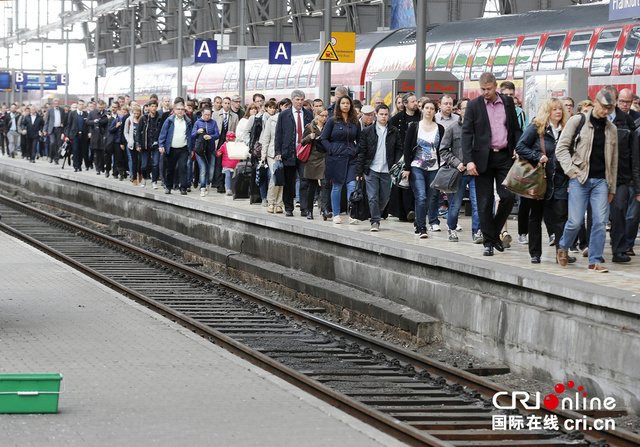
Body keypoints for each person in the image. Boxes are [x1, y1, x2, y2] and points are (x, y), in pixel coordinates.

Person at [555, 89, 619, 273]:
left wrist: (612, 187)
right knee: (575, 221)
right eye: (605, 107)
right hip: (580, 179)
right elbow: (561, 148)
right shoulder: (578, 121)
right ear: (596, 102)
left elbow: (614, 161)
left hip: (601, 182)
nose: (607, 111)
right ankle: (564, 246)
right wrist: (571, 172)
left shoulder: (611, 129)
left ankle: (595, 260)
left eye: (610, 108)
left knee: (599, 221)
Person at [462, 72, 522, 256]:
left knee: (508, 197)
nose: (486, 92)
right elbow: (467, 134)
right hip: (482, 159)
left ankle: (493, 233)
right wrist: (469, 160)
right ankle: (488, 242)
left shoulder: (508, 102)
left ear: (496, 86)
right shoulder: (474, 106)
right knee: (485, 201)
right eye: (482, 89)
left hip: (504, 156)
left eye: (489, 89)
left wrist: (517, 147)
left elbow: (515, 129)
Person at [515, 98, 571, 263]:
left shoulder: (566, 130)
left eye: (560, 109)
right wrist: (537, 156)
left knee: (561, 216)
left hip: (560, 180)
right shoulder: (536, 128)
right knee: (536, 216)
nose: (558, 112)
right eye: (554, 109)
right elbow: (520, 147)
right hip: (539, 180)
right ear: (547, 112)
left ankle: (561, 252)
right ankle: (535, 253)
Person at [603, 85, 639, 263]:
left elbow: (634, 152)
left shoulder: (627, 120)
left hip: (621, 175)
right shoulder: (594, 119)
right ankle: (592, 249)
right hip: (598, 174)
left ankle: (619, 250)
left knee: (619, 211)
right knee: (597, 214)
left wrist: (633, 176)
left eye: (628, 101)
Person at [438, 98, 481, 243]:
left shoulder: (480, 128)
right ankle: (451, 228)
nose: (467, 110)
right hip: (459, 173)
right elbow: (443, 150)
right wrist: (457, 163)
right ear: (459, 110)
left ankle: (477, 232)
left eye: (470, 108)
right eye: (464, 108)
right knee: (455, 205)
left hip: (476, 173)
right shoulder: (452, 128)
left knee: (477, 204)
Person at [402, 99, 446, 238]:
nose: (429, 110)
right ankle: (421, 227)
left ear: (435, 111)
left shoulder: (440, 128)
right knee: (420, 196)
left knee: (431, 197)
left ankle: (419, 221)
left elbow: (443, 149)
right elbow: (407, 148)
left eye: (431, 108)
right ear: (422, 109)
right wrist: (407, 167)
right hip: (417, 166)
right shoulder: (414, 127)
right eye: (426, 108)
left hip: (434, 167)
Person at [356, 104, 402, 231]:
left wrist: (396, 164)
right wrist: (359, 171)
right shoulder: (367, 131)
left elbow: (398, 148)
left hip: (387, 169)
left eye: (386, 114)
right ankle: (375, 221)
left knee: (384, 197)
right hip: (372, 169)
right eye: (381, 114)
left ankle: (375, 211)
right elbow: (362, 152)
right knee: (372, 196)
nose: (383, 116)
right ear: (376, 114)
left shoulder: (393, 131)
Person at [321, 95, 361, 224]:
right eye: (343, 103)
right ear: (339, 105)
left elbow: (360, 140)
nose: (345, 105)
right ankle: (336, 214)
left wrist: (356, 150)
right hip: (336, 158)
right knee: (337, 186)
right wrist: (331, 149)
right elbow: (323, 138)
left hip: (351, 157)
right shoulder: (332, 120)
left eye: (347, 103)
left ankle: (352, 214)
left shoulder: (355, 122)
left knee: (352, 185)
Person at [274, 89, 313, 217]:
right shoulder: (284, 115)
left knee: (304, 180)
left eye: (302, 100)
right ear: (292, 100)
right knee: (289, 181)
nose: (300, 102)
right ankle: (289, 207)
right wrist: (278, 151)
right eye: (297, 99)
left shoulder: (308, 114)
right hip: (288, 152)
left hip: (303, 152)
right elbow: (278, 134)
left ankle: (304, 208)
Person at [388, 92, 421, 223]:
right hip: (401, 156)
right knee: (403, 184)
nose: (415, 104)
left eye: (416, 101)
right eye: (412, 101)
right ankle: (405, 211)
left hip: (419, 155)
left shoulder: (421, 117)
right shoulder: (396, 119)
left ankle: (413, 209)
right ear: (405, 104)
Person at [262, 99, 291, 213]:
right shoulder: (272, 120)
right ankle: (271, 201)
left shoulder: (291, 120)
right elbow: (266, 138)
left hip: (286, 153)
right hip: (272, 153)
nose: (287, 109)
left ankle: (279, 203)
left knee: (282, 178)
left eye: (289, 107)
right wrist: (263, 155)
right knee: (275, 176)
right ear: (280, 107)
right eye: (285, 106)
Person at [300, 106, 329, 220]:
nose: (324, 118)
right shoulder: (310, 127)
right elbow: (302, 142)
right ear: (317, 115)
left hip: (325, 158)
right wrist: (309, 137)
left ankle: (325, 209)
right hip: (312, 159)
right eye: (322, 116)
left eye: (326, 116)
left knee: (326, 184)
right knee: (311, 186)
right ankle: (309, 210)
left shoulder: (328, 127)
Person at [158, 101, 193, 195]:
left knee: (183, 168)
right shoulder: (169, 120)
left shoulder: (188, 121)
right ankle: (168, 187)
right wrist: (161, 145)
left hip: (183, 148)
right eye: (178, 109)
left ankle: (183, 188)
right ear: (174, 110)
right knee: (170, 168)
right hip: (171, 148)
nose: (180, 111)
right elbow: (163, 133)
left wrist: (191, 148)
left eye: (182, 109)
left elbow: (190, 136)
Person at [191, 107, 220, 197]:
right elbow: (192, 135)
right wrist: (197, 132)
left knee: (211, 170)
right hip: (200, 150)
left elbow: (217, 134)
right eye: (206, 115)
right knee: (203, 169)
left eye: (209, 115)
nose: (207, 116)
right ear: (202, 114)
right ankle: (202, 187)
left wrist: (211, 137)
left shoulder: (213, 122)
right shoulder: (198, 122)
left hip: (210, 148)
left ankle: (208, 184)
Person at [212, 97, 238, 193]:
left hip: (229, 143)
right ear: (222, 104)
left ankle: (228, 185)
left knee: (228, 164)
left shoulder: (234, 116)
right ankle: (220, 185)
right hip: (218, 141)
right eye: (225, 103)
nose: (227, 105)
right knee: (218, 163)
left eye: (228, 103)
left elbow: (236, 129)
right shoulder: (215, 114)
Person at [137, 99, 162, 188]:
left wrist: (160, 143)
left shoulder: (160, 117)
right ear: (149, 107)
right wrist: (138, 144)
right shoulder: (144, 118)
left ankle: (154, 181)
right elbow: (139, 131)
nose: (154, 108)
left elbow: (161, 131)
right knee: (144, 165)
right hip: (145, 144)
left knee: (155, 164)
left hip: (155, 144)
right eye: (152, 106)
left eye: (155, 106)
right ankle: (144, 178)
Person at [64, 100, 88, 173]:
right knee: (75, 150)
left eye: (82, 104)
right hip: (74, 134)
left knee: (81, 150)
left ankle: (80, 165)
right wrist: (67, 135)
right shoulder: (72, 113)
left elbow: (87, 125)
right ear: (77, 105)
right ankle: (75, 166)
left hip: (83, 134)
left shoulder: (85, 114)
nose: (81, 106)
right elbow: (68, 125)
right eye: (80, 104)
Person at [87, 100, 109, 175]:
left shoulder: (106, 113)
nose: (100, 109)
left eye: (101, 107)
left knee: (103, 152)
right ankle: (98, 168)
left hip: (103, 135)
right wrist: (94, 121)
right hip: (95, 135)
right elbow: (87, 122)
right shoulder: (92, 113)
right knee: (96, 153)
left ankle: (102, 166)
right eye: (99, 107)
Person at [216, 131, 240, 196]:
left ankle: (232, 189)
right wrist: (218, 153)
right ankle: (228, 189)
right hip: (226, 164)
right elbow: (219, 152)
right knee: (228, 175)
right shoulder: (224, 145)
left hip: (234, 165)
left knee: (233, 177)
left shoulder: (236, 145)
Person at [43, 98, 66, 164]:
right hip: (52, 129)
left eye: (57, 104)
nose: (56, 105)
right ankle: (51, 156)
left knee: (58, 144)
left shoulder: (62, 110)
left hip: (59, 129)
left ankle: (56, 159)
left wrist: (63, 124)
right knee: (52, 143)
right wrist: (45, 130)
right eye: (55, 104)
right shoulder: (50, 110)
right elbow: (47, 121)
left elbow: (64, 119)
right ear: (53, 104)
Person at [124, 105, 142, 184]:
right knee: (134, 161)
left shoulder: (142, 119)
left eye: (138, 112)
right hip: (132, 143)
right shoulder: (129, 120)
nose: (136, 114)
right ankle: (134, 177)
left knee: (141, 161)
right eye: (135, 112)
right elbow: (125, 131)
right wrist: (128, 140)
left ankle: (140, 174)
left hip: (140, 143)